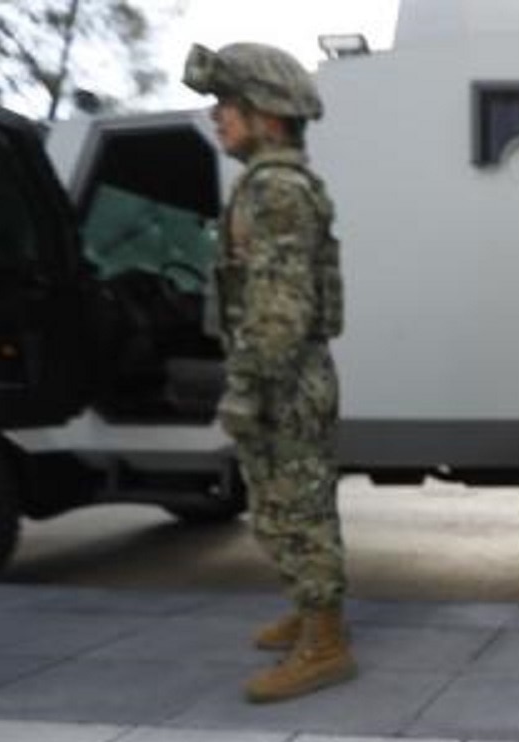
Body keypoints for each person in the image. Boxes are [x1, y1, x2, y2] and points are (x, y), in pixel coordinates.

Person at [182, 42, 353, 703]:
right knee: (286, 504)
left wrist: (247, 390)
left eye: (228, 107)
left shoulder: (276, 190)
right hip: (288, 374)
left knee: (298, 508)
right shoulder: (271, 185)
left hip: (282, 379)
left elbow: (279, 306)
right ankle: (310, 612)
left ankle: (325, 643)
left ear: (270, 117)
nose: (218, 119)